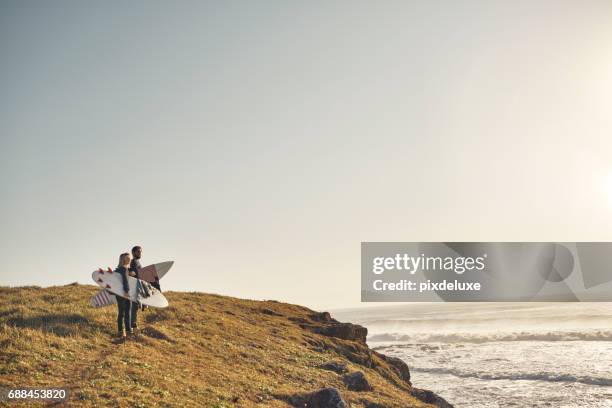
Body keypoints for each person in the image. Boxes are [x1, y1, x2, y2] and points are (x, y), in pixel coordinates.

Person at [115, 252, 132, 341]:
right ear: (123, 259)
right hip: (125, 293)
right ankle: (129, 332)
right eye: (127, 258)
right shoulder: (124, 269)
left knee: (121, 313)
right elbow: (125, 280)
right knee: (127, 313)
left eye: (130, 258)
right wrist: (126, 291)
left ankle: (120, 331)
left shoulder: (117, 269)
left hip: (118, 294)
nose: (129, 259)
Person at [129, 245, 143, 334]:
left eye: (141, 251)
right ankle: (133, 327)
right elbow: (129, 272)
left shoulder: (137, 262)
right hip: (133, 287)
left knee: (136, 307)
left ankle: (133, 326)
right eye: (138, 251)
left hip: (138, 287)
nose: (140, 253)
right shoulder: (133, 262)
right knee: (134, 308)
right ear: (133, 253)